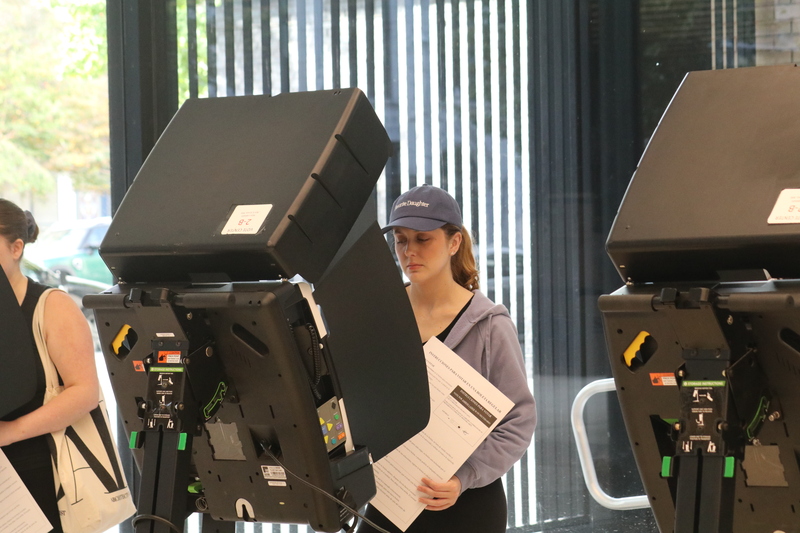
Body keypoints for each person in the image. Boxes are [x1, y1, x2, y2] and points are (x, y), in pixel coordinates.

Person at [357, 184, 537, 533]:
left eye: (423, 239)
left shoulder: (490, 327)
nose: (409, 251)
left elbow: (518, 421)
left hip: (466, 503)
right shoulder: (380, 317)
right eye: (400, 239)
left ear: (454, 242)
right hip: (390, 496)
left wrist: (464, 478)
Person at [0, 199, 99, 533]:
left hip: (40, 471)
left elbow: (84, 392)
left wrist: (11, 432)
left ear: (16, 248)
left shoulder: (51, 305)